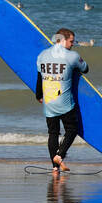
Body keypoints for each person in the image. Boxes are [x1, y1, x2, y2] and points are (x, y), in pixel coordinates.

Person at [35, 27, 88, 173]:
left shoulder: (42, 55)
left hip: (49, 102)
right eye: (71, 41)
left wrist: (39, 95)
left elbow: (39, 77)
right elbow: (85, 68)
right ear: (63, 40)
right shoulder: (72, 56)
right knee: (72, 129)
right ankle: (60, 155)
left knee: (53, 133)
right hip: (64, 102)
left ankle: (55, 168)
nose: (73, 44)